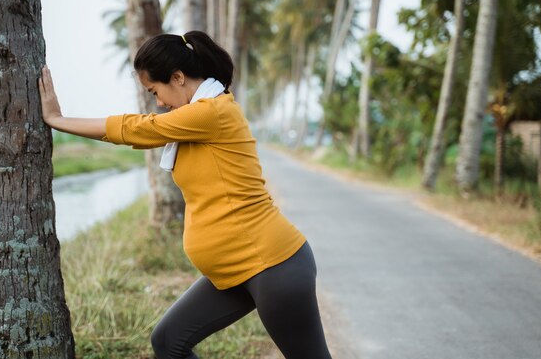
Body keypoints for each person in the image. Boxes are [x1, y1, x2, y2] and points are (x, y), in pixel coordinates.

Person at [38, 30, 333, 359]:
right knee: (168, 341)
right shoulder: (196, 119)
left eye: (155, 91)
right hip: (235, 270)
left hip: (273, 265)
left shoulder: (212, 112)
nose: (159, 102)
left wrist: (57, 120)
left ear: (177, 77)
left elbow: (139, 127)